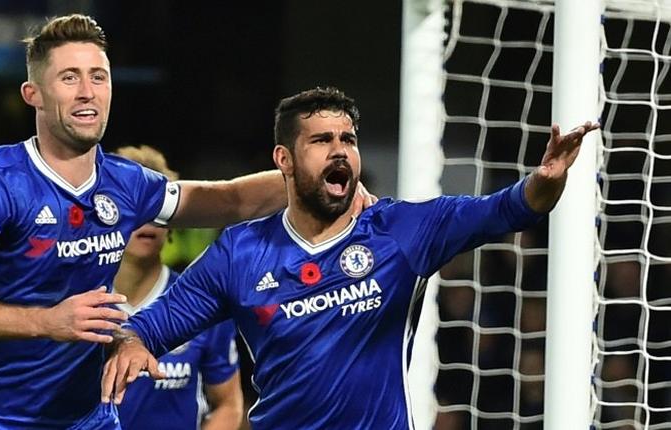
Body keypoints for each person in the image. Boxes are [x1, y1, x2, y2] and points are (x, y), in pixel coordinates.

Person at [101, 87, 600, 429]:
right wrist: (132, 344)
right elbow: (155, 325)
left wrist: (546, 181)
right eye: (322, 141)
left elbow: (506, 210)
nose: (340, 151)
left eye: (348, 140)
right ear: (285, 160)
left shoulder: (402, 230)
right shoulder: (240, 252)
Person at [0, 14, 316, 429]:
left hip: (88, 414)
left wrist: (314, 174)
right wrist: (47, 321)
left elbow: (229, 200)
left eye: (98, 77)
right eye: (69, 78)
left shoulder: (126, 184)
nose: (88, 92)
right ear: (32, 93)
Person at [113, 145, 242, 430]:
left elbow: (229, 405)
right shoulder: (79, 302)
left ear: (173, 222)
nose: (147, 219)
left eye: (157, 208)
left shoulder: (203, 302)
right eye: (134, 206)